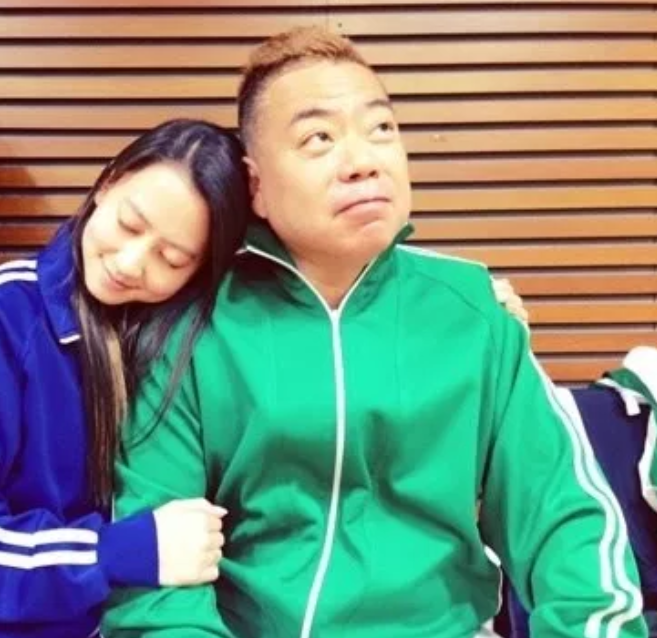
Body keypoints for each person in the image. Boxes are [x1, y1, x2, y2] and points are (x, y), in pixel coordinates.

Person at [103, 27, 647, 638]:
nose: (364, 161)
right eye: (319, 138)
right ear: (255, 186)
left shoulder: (473, 315)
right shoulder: (192, 329)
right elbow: (155, 577)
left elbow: (566, 524)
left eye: (381, 128)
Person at [0, 119, 250, 638]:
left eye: (171, 259)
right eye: (129, 224)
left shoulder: (176, 357)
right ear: (107, 183)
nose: (130, 263)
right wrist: (115, 552)